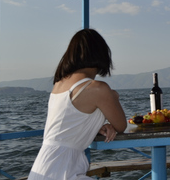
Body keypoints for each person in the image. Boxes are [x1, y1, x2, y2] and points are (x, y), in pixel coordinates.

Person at [28, 28, 127, 180]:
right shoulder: (98, 88)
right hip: (63, 170)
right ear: (101, 53)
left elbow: (69, 120)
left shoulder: (59, 84)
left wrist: (95, 124)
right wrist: (114, 96)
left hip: (44, 166)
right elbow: (121, 125)